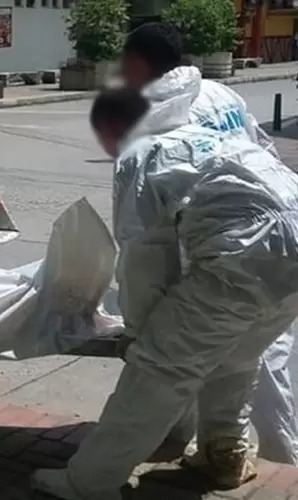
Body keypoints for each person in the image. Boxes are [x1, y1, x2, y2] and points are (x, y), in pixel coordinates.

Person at [32, 87, 298, 499]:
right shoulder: (207, 137)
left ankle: (87, 483)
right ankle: (223, 452)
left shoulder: (142, 153)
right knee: (237, 357)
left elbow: (143, 258)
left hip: (244, 256)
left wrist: (139, 333)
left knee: (158, 370)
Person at [119, 21, 298, 466]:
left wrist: (141, 325)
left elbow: (144, 240)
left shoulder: (161, 115)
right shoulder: (220, 94)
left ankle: (173, 439)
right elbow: (264, 151)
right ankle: (262, 455)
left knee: (185, 358)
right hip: (275, 231)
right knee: (255, 360)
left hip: (221, 251)